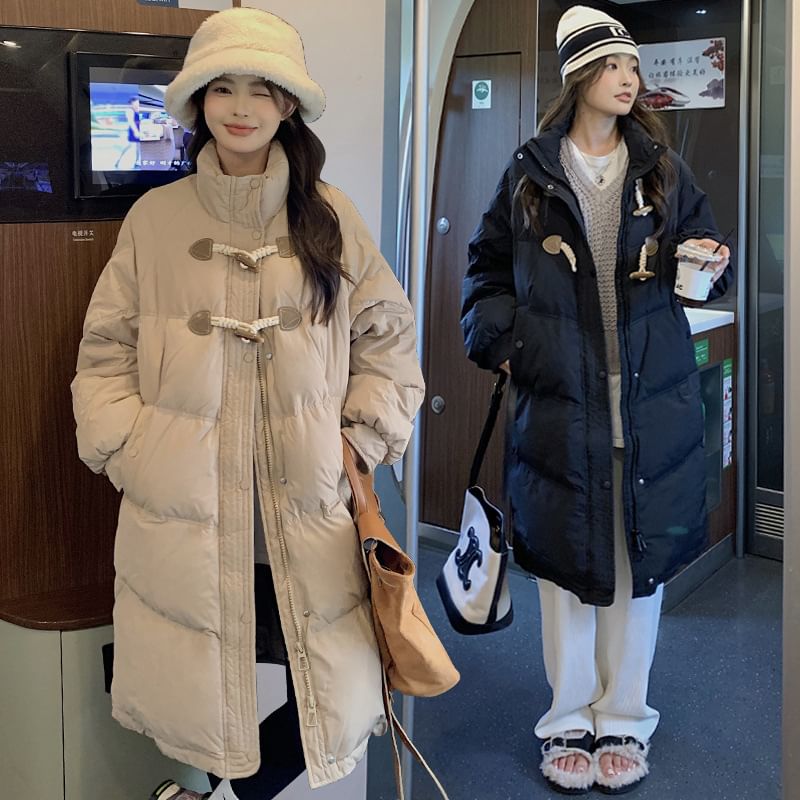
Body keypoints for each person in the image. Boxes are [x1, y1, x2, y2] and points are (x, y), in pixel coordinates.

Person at [71, 8, 424, 800]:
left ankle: (224, 797)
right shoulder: (155, 219)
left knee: (323, 685)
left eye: (261, 90)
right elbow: (105, 352)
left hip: (309, 500)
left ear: (288, 104)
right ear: (198, 102)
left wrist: (359, 439)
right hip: (187, 500)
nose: (240, 107)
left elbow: (389, 339)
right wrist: (132, 450)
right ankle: (218, 787)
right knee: (206, 682)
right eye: (221, 88)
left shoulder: (330, 213)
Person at [461, 6, 732, 795]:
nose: (629, 79)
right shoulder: (530, 174)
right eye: (613, 65)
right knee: (565, 571)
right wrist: (507, 344)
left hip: (650, 403)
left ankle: (624, 719)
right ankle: (566, 721)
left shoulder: (664, 170)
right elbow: (484, 273)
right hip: (560, 401)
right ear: (578, 75)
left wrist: (709, 261)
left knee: (636, 571)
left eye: (633, 66)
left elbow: (708, 260)